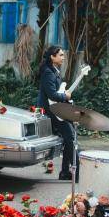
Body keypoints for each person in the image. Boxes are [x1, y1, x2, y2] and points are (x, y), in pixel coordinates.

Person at [38, 45, 77, 181]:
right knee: (70, 137)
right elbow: (52, 95)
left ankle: (66, 171)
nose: (63, 57)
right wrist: (65, 97)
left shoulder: (54, 70)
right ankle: (74, 171)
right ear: (52, 57)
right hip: (51, 111)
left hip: (57, 109)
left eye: (63, 54)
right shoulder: (48, 72)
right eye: (60, 55)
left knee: (69, 138)